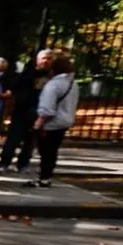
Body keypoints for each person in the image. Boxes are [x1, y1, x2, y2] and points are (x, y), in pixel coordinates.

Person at [25, 53, 79, 188]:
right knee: (52, 150)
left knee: (46, 151)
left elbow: (47, 108)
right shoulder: (73, 84)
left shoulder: (53, 85)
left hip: (51, 123)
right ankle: (46, 176)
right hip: (65, 120)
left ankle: (43, 177)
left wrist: (38, 123)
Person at [0, 48, 54, 174]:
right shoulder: (27, 73)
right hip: (22, 110)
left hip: (39, 111)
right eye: (44, 58)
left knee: (31, 140)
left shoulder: (52, 76)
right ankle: (4, 163)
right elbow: (15, 87)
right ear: (38, 60)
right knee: (13, 138)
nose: (46, 61)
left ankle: (23, 164)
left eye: (49, 59)